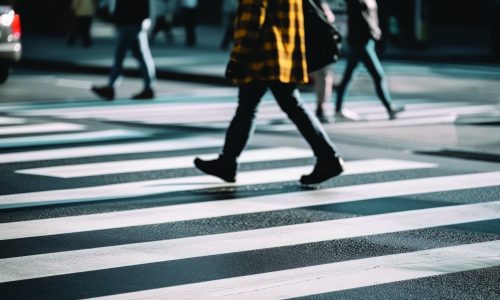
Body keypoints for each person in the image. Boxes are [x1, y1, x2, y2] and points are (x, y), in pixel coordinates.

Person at [194, 0, 344, 186]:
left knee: (253, 107)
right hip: (284, 51)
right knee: (256, 106)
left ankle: (328, 157)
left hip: (262, 54)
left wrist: (238, 58)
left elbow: (251, 18)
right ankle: (227, 162)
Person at [335, 0, 404, 120]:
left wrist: (376, 29)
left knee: (348, 76)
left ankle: (338, 108)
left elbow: (372, 15)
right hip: (360, 41)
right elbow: (359, 17)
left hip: (367, 40)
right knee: (378, 75)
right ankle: (389, 108)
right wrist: (373, 30)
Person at [92, 0, 156, 100]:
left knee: (121, 55)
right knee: (140, 55)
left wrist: (115, 18)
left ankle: (111, 88)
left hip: (128, 22)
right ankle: (149, 87)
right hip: (135, 21)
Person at [310, 0, 336, 123]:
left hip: (314, 45)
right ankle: (321, 108)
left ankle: (321, 108)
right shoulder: (317, 4)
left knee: (322, 77)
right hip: (318, 46)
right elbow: (329, 18)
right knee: (324, 78)